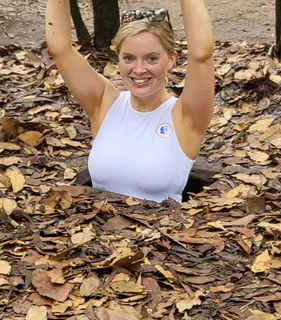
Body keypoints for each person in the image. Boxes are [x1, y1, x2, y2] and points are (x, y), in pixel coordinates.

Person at [45, 0, 214, 203]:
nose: (139, 69)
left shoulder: (186, 116)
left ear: (171, 59)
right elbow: (59, 48)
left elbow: (202, 55)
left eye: (152, 58)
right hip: (97, 229)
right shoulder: (104, 103)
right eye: (129, 58)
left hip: (162, 230)